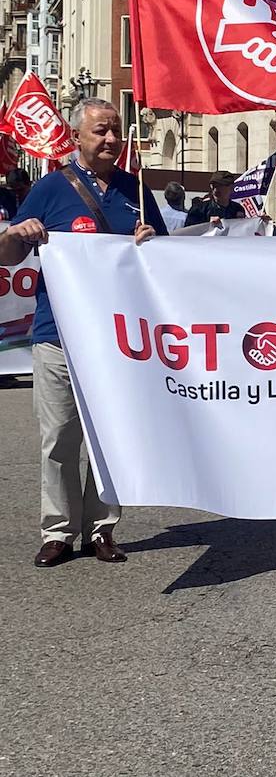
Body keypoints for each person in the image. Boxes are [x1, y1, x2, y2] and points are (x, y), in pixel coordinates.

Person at [0, 98, 164, 567]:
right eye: (100, 132)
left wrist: (148, 244)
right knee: (59, 438)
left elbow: (163, 261)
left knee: (106, 437)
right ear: (78, 137)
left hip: (117, 337)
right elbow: (7, 254)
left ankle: (102, 529)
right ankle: (58, 531)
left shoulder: (136, 188)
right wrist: (18, 231)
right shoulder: (51, 188)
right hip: (57, 334)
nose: (110, 139)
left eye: (115, 130)